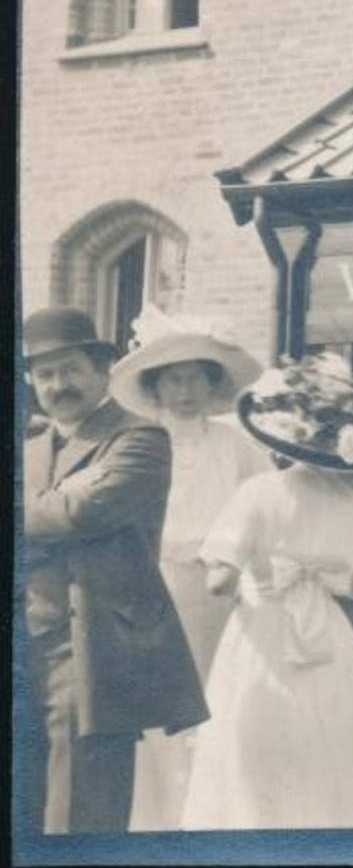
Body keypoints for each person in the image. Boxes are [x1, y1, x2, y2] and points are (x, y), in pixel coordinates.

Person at [179, 354, 353, 830]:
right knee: (327, 765)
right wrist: (320, 593)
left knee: (252, 762)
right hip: (331, 650)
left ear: (287, 436)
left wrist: (259, 581)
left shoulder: (260, 492)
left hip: (261, 640)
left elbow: (218, 582)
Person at [20, 306, 209, 835]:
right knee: (26, 805)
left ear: (102, 371)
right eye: (45, 373)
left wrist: (53, 507)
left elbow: (84, 511)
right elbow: (57, 513)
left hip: (94, 648)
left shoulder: (140, 438)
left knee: (82, 809)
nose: (59, 384)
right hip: (27, 643)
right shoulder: (29, 447)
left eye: (71, 369)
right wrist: (50, 506)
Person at [107, 309, 271, 831]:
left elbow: (266, 504)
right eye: (174, 379)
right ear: (155, 386)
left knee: (218, 699)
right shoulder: (136, 442)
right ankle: (160, 819)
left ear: (212, 383)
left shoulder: (235, 444)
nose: (186, 391)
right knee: (160, 710)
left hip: (220, 592)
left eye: (197, 378)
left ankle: (213, 817)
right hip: (154, 588)